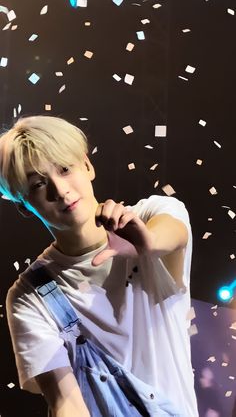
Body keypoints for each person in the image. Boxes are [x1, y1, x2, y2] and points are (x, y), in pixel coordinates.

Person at [0, 115, 199, 417]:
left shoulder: (152, 214)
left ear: (87, 165)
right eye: (39, 184)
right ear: (23, 204)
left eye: (65, 169)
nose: (60, 190)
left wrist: (144, 243)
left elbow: (171, 234)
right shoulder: (30, 297)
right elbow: (65, 403)